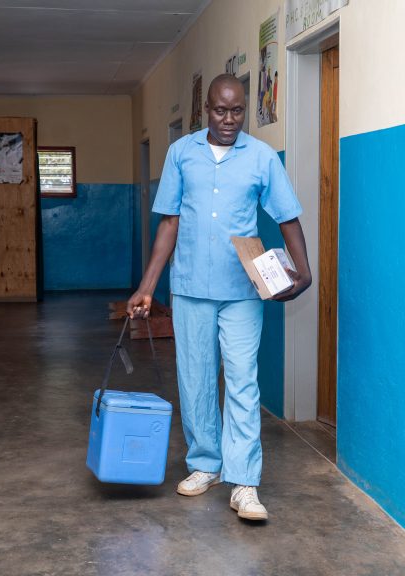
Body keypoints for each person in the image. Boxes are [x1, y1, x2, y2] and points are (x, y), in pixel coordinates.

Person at [127, 74, 311, 521]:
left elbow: (287, 217)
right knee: (195, 378)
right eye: (219, 110)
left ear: (244, 109)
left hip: (242, 291)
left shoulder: (262, 158)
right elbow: (168, 223)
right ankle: (205, 463)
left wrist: (303, 271)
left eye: (237, 111)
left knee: (243, 381)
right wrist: (147, 286)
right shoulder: (180, 154)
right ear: (204, 110)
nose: (228, 120)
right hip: (189, 287)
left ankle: (244, 482)